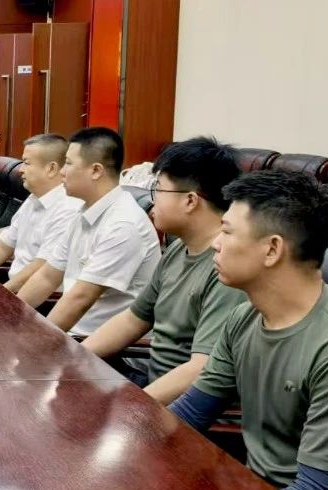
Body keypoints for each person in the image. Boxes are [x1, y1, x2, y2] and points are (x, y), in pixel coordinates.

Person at [169, 170, 328, 490]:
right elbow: (190, 414)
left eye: (227, 232)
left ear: (272, 249)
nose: (215, 244)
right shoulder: (244, 317)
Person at [82, 137, 247, 400]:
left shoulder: (227, 268)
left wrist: (137, 409)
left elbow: (201, 369)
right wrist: (72, 358)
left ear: (190, 201)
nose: (152, 200)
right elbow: (132, 320)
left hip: (178, 406)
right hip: (150, 387)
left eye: (158, 189)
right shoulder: (178, 249)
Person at [17, 126, 160, 335]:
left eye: (68, 163)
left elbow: (81, 298)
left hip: (98, 345)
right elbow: (47, 277)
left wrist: (36, 342)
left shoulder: (123, 224)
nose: (62, 171)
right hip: (71, 333)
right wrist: (9, 315)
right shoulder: (84, 212)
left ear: (95, 171)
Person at [0, 134, 81, 292]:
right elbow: (3, 247)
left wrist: (1, 295)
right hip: (13, 287)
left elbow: (40, 268)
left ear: (51, 169)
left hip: (39, 297)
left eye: (26, 163)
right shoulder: (33, 198)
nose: (21, 170)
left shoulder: (67, 210)